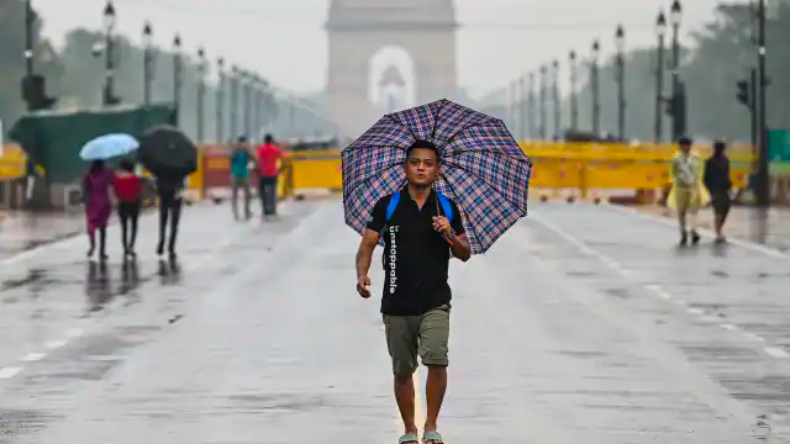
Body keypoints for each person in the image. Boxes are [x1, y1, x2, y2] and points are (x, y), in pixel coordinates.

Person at [354, 140, 472, 444]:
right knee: (403, 369)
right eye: (415, 162)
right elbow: (367, 245)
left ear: (437, 170)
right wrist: (362, 274)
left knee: (436, 359)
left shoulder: (446, 207)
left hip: (435, 299)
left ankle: (431, 424)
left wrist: (449, 234)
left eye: (428, 163)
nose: (421, 167)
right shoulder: (388, 205)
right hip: (396, 301)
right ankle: (409, 429)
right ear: (405, 167)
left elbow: (464, 252)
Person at [667, 136, 710, 246]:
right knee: (681, 212)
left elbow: (700, 171)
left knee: (694, 211)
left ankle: (693, 230)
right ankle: (683, 232)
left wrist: (697, 183)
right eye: (684, 145)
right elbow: (672, 173)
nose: (686, 147)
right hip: (680, 188)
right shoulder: (676, 158)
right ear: (680, 146)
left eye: (688, 145)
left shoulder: (696, 157)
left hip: (693, 188)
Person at [82, 159, 115, 260]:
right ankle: (102, 251)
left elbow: (85, 189)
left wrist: (84, 200)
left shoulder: (88, 175)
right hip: (104, 202)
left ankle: (92, 245)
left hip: (92, 203)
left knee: (91, 225)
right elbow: (113, 182)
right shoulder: (107, 173)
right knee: (103, 228)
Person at [113, 158, 143, 258]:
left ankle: (125, 247)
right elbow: (139, 190)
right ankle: (131, 246)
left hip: (123, 204)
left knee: (124, 227)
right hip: (134, 204)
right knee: (134, 225)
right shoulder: (135, 178)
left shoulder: (117, 179)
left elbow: (116, 192)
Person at [704, 140, 733, 243]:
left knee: (726, 208)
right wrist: (709, 189)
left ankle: (719, 228)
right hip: (715, 189)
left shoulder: (725, 161)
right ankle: (718, 232)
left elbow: (727, 174)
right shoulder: (710, 162)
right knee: (718, 210)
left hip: (724, 188)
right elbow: (706, 177)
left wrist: (729, 185)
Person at [154, 173, 186, 259]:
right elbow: (183, 186)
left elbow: (157, 187)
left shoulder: (161, 171)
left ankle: (161, 242)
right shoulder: (180, 171)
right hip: (176, 199)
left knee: (163, 223)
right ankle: (171, 248)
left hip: (164, 198)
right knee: (174, 225)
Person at [255, 134, 284, 219]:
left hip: (263, 174)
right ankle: (272, 210)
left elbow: (258, 160)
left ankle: (265, 210)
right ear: (271, 141)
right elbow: (282, 155)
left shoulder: (260, 149)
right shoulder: (274, 149)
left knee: (263, 193)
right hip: (272, 173)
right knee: (272, 193)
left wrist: (257, 169)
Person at [229, 136, 252, 220]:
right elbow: (230, 158)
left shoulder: (247, 151)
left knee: (248, 194)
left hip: (245, 174)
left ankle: (247, 211)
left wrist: (248, 149)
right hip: (235, 174)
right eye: (241, 143)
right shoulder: (234, 151)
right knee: (234, 195)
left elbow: (254, 159)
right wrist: (236, 149)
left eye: (244, 143)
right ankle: (235, 213)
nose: (242, 145)